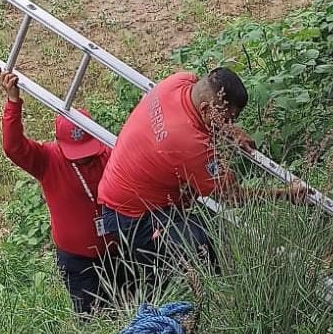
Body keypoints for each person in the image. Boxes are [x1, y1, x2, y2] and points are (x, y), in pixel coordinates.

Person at [96, 67, 306, 274]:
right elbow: (233, 197)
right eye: (227, 118)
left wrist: (228, 129)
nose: (231, 123)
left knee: (202, 232)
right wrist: (286, 194)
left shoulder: (179, 81)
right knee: (200, 247)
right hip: (133, 219)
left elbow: (204, 116)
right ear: (205, 109)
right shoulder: (191, 144)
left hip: (121, 191)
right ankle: (212, 301)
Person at [0, 68, 116, 316]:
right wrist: (13, 102)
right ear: (61, 144)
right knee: (93, 322)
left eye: (87, 151)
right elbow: (13, 147)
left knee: (133, 311)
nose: (83, 159)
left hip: (120, 254)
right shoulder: (47, 160)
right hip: (78, 263)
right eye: (77, 153)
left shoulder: (110, 154)